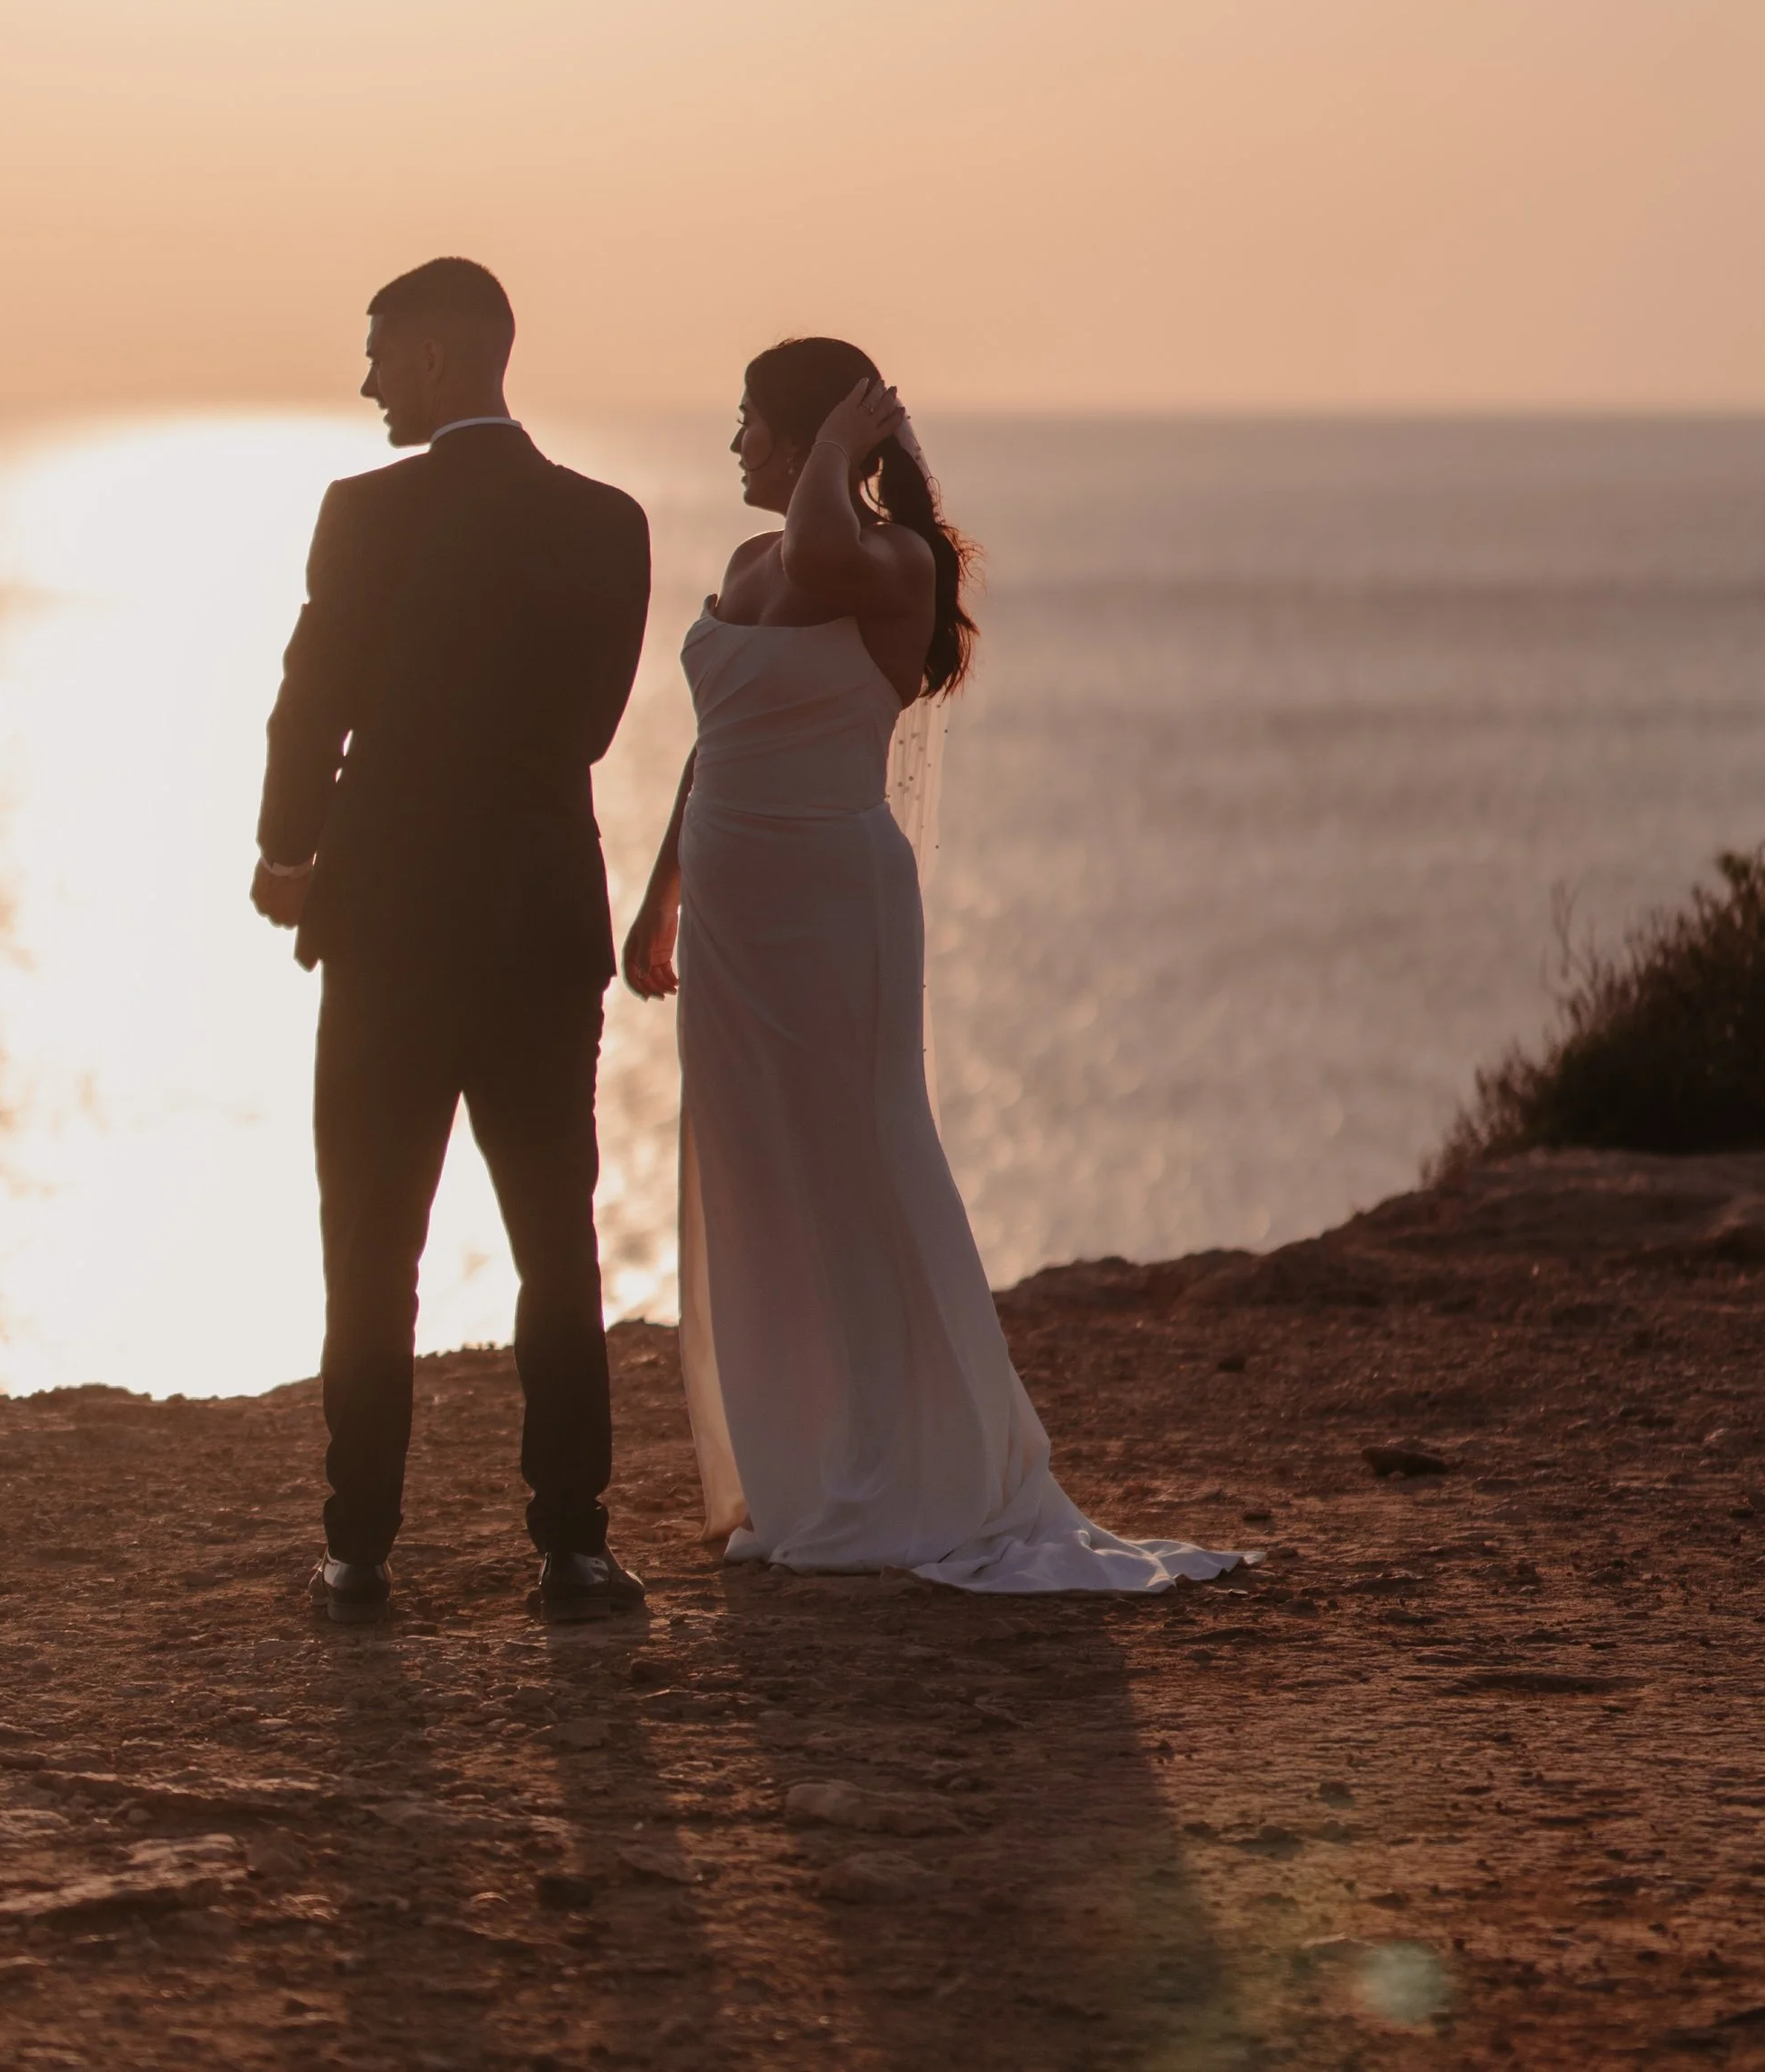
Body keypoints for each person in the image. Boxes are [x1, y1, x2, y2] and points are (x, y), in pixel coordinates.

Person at [624, 337, 1247, 1593]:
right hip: (738, 919)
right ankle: (799, 1461)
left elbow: (819, 553)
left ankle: (903, 1467)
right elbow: (714, 741)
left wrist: (850, 452)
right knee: (756, 1167)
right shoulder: (752, 558)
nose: (734, 442)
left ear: (813, 443)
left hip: (832, 908)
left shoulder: (883, 563)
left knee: (858, 1161)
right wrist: (658, 900)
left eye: (753, 422)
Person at [254, 258, 653, 1626]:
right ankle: (573, 1548)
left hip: (387, 929)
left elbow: (310, 702)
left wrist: (288, 849)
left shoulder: (362, 516)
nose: (367, 383)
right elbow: (595, 728)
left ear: (433, 358)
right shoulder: (609, 524)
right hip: (540, 923)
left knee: (370, 1246)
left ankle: (359, 1550)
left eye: (377, 355)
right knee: (556, 1241)